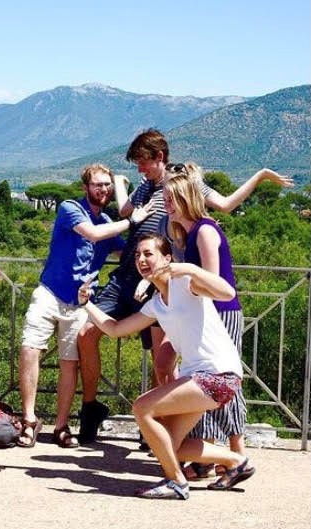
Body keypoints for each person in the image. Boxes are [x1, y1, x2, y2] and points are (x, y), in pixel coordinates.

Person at [76, 128, 293, 444]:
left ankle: (189, 440)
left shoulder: (184, 186)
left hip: (173, 284)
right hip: (142, 279)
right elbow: (126, 213)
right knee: (122, 346)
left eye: (143, 162)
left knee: (181, 366)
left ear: (159, 157)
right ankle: (131, 422)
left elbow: (226, 204)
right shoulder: (145, 187)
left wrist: (259, 176)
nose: (140, 168)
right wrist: (122, 186)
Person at [78, 233, 255, 499]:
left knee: (142, 407)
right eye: (138, 255)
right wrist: (86, 304)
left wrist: (191, 268)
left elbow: (227, 292)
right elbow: (115, 329)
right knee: (168, 444)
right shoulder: (156, 305)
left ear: (167, 258)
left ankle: (176, 483)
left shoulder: (187, 285)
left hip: (218, 374)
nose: (141, 260)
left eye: (148, 253)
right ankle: (236, 461)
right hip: (197, 378)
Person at [17, 164, 153, 448]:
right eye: (98, 184)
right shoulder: (70, 208)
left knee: (70, 363)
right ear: (85, 187)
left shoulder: (105, 221)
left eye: (107, 185)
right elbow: (92, 234)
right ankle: (28, 420)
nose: (102, 190)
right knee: (30, 348)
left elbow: (125, 252)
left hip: (80, 302)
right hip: (50, 292)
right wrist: (132, 219)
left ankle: (61, 426)